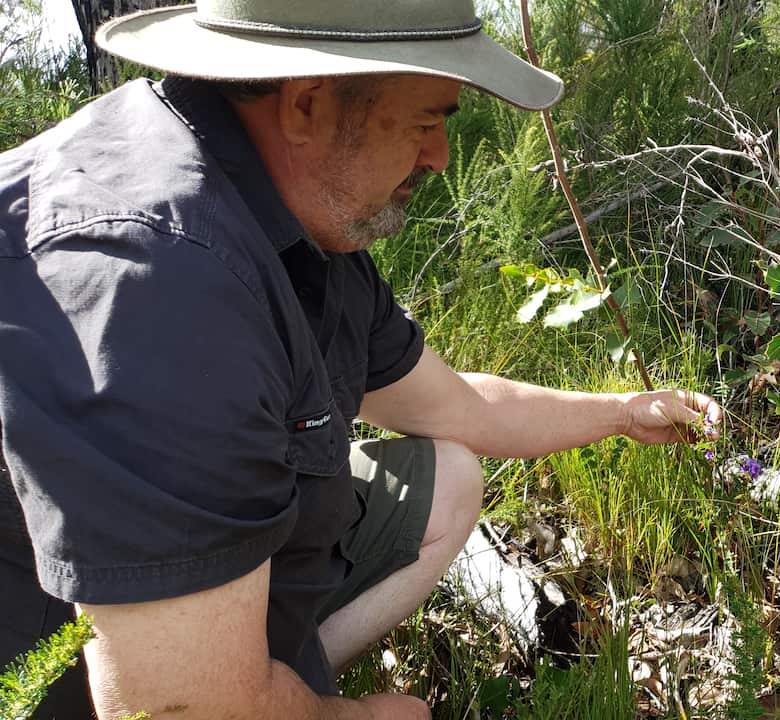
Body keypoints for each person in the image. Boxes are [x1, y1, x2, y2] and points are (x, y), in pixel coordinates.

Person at [0, 0, 722, 717]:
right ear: (307, 105)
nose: (440, 155)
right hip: (55, 670)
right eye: (424, 120)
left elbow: (459, 409)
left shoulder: (296, 210)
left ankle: (271, 672)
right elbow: (176, 711)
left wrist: (625, 412)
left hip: (172, 627)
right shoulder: (156, 281)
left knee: (447, 477)